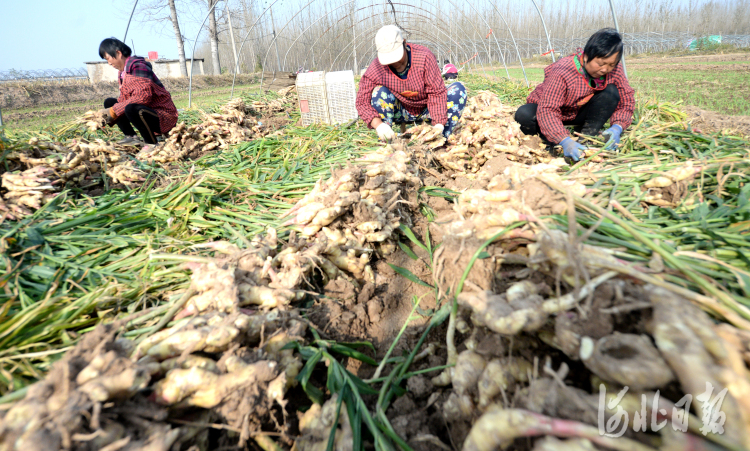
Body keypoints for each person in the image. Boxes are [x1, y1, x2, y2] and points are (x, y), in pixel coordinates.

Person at [514, 28, 634, 162]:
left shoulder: (613, 70)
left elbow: (626, 99)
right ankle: (549, 144)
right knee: (524, 114)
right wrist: (564, 140)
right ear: (587, 56)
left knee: (611, 93)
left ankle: (586, 139)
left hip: (578, 111)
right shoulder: (563, 70)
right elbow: (548, 110)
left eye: (611, 64)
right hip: (550, 112)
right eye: (600, 64)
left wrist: (618, 126)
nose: (605, 69)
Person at [355, 25, 466, 142]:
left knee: (458, 90)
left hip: (428, 109)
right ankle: (387, 141)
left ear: (404, 43)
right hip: (400, 111)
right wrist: (378, 125)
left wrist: (438, 124)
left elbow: (436, 92)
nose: (394, 62)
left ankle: (442, 140)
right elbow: (361, 101)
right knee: (379, 92)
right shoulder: (377, 68)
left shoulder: (424, 57)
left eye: (397, 56)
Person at [98, 38, 178, 148]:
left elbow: (142, 97)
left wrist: (114, 111)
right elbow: (123, 99)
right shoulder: (123, 73)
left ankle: (151, 143)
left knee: (131, 108)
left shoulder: (138, 66)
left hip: (163, 116)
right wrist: (106, 116)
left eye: (108, 58)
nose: (109, 63)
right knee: (110, 103)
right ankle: (131, 137)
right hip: (147, 112)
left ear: (118, 53)